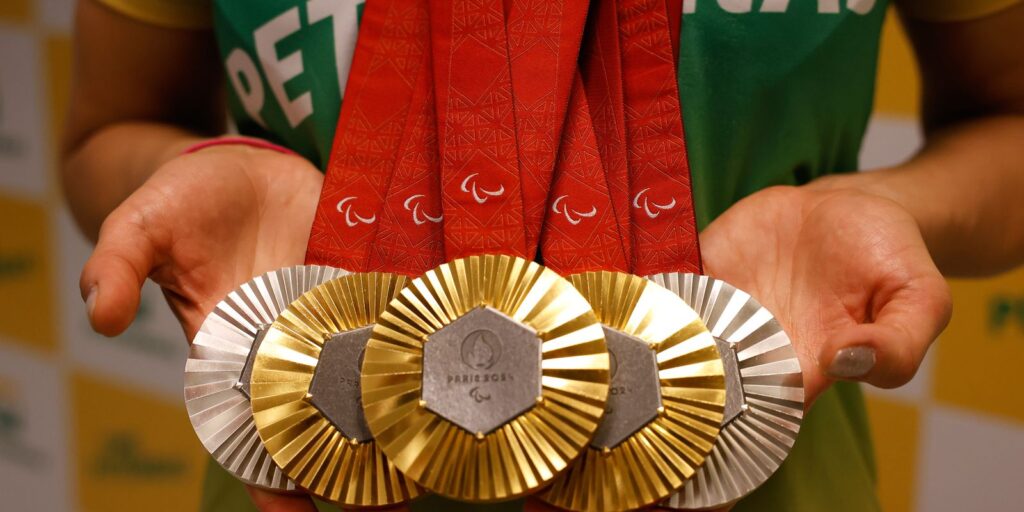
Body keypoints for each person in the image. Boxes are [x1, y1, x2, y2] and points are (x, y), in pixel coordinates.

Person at [61, 0, 1024, 511]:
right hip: (310, 458)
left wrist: (880, 209)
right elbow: (104, 135)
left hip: (750, 472)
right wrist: (197, 173)